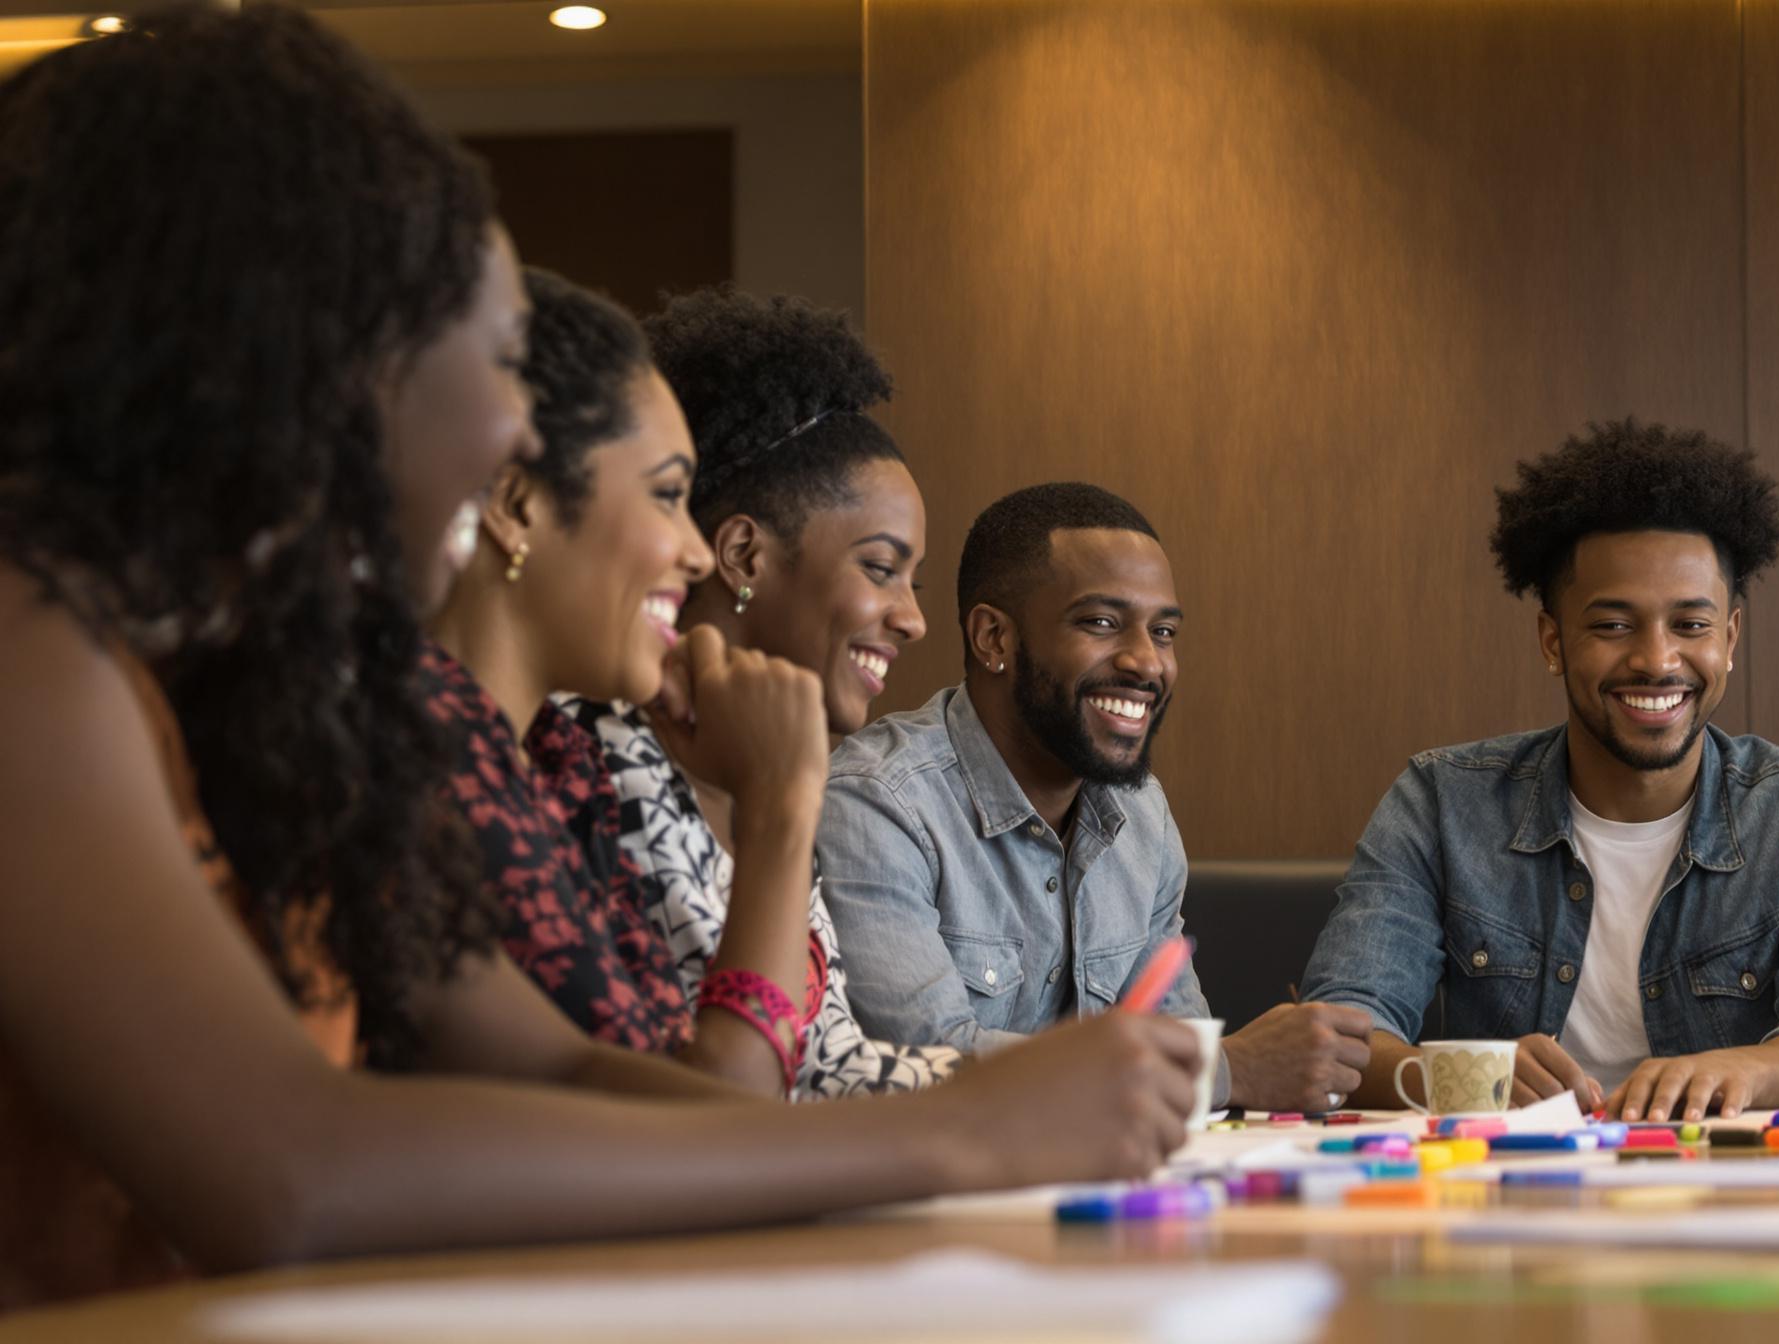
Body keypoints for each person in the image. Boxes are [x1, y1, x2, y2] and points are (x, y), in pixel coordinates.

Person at [0, 9, 1193, 1309]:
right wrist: (955, 1135)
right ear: (305, 351)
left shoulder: (294, 700)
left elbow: (565, 1074)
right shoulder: (31, 652)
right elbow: (288, 1170)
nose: (517, 431)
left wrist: (958, 1128)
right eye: (499, 362)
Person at [1299, 420, 1779, 1122]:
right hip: (1511, 1176)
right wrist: (1469, 1078)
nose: (1657, 660)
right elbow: (1338, 1033)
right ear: (1553, 641)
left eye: (1691, 625)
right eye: (1614, 625)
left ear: (1730, 638)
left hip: (1731, 1176)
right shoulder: (1441, 802)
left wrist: (1742, 1070)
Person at [426, 268, 893, 1097]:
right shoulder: (421, 761)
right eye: (667, 496)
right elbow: (724, 1112)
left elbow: (667, 1082)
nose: (694, 550)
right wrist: (779, 807)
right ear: (517, 504)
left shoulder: (556, 765)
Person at [817, 484, 1372, 1115]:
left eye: (1163, 631)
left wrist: (1217, 1074)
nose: (1147, 663)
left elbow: (1176, 1048)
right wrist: (1226, 1071)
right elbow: (924, 1068)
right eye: (1102, 623)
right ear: (993, 638)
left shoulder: (1141, 815)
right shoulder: (877, 805)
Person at [537, 284, 961, 1097]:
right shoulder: (587, 754)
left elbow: (825, 1064)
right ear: (742, 556)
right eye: (881, 568)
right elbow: (719, 1104)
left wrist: (1048, 1076)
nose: (912, 619)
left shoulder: (765, 756)